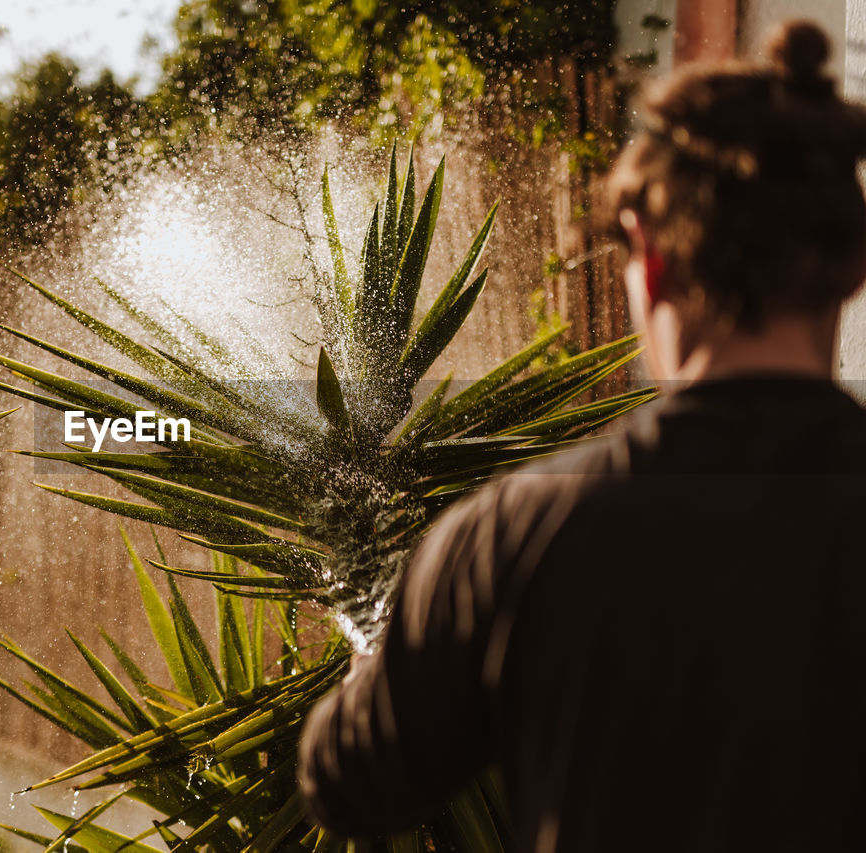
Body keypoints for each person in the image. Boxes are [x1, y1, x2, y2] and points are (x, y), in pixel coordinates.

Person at [298, 19, 866, 853]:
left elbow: (348, 785)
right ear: (853, 266)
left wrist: (384, 648)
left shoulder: (511, 536)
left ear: (655, 261)